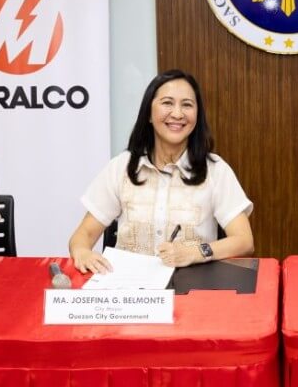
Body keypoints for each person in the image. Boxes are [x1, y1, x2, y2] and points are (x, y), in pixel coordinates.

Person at [69, 69, 254, 272]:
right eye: (167, 103)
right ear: (149, 113)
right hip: (129, 290)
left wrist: (194, 252)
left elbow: (244, 241)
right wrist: (82, 252)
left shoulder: (215, 170)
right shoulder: (121, 167)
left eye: (187, 105)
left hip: (192, 289)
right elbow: (83, 235)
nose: (177, 114)